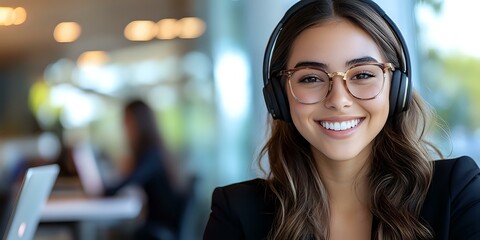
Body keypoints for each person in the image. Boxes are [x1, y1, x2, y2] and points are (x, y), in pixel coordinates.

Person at [203, 0, 480, 239]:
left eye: (362, 74)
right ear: (279, 97)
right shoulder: (237, 213)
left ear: (397, 88)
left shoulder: (456, 191)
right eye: (311, 78)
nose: (338, 100)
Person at [104, 99, 190, 240]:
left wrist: (103, 189)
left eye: (127, 121)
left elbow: (129, 181)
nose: (125, 128)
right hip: (160, 227)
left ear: (138, 122)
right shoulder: (156, 151)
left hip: (158, 229)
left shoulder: (151, 154)